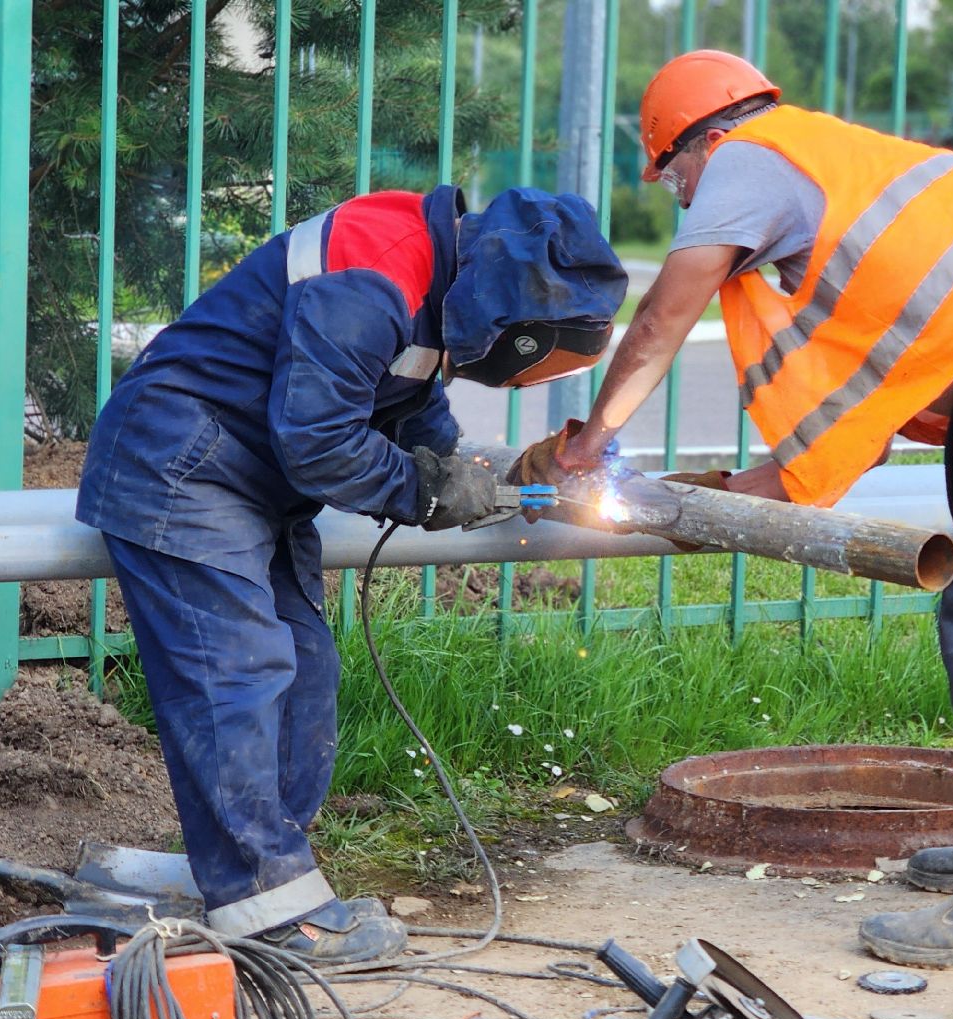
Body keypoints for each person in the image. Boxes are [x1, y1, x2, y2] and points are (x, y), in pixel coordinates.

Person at [511, 51, 953, 970]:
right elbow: (854, 438)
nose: (681, 196)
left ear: (702, 141)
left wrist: (588, 446)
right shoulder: (837, 182)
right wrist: (707, 502)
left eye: (671, 175)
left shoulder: (749, 160)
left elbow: (660, 321)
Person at [77, 185, 626, 962]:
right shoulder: (377, 274)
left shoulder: (436, 285)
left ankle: (253, 881)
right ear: (518, 319)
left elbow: (410, 410)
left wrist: (470, 471)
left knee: (304, 672)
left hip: (247, 479)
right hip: (181, 461)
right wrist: (428, 489)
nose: (526, 377)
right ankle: (266, 909)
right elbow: (319, 441)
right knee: (238, 675)